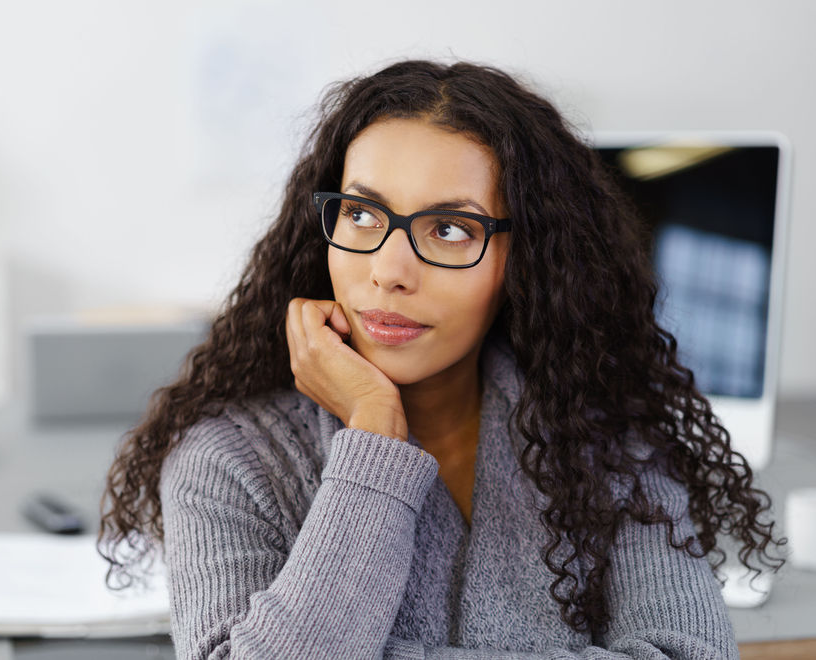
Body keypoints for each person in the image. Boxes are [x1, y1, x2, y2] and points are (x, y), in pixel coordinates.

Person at [98, 60, 784, 658]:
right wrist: (373, 430)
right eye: (362, 216)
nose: (389, 271)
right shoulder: (227, 461)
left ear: (526, 261)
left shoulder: (608, 442)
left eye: (451, 229)